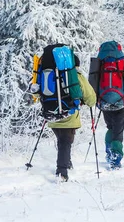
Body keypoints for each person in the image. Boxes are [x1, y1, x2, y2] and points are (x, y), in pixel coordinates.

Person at [89, 41, 124, 169]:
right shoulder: (122, 62)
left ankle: (108, 150)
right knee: (118, 131)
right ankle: (115, 159)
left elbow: (93, 81)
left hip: (104, 100)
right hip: (120, 101)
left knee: (110, 127)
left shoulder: (99, 63)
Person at [46, 53, 96, 182]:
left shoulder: (49, 73)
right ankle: (62, 172)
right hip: (69, 115)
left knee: (63, 141)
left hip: (51, 113)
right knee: (65, 142)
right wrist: (88, 102)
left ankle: (67, 163)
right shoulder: (75, 77)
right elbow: (90, 97)